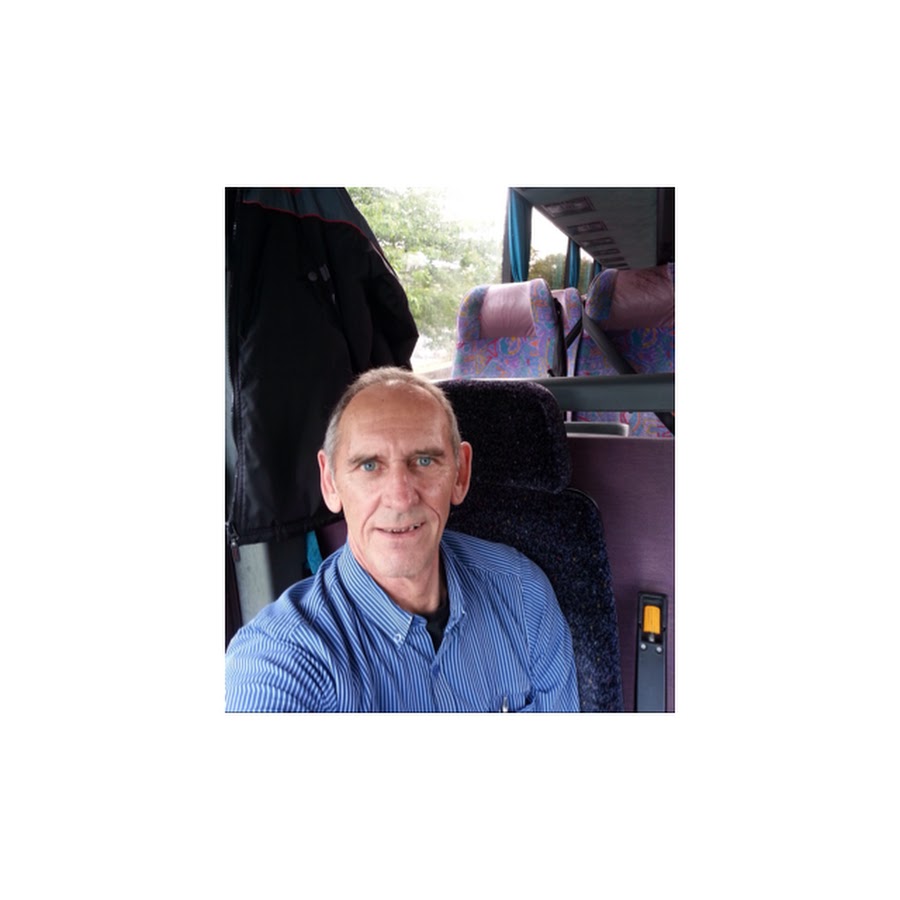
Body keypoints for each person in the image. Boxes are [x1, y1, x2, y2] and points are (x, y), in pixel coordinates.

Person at [225, 367, 579, 712]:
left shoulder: (523, 594)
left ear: (460, 474)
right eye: (369, 465)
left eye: (424, 461)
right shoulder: (281, 656)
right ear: (330, 483)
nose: (401, 498)